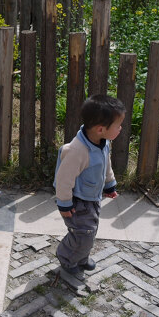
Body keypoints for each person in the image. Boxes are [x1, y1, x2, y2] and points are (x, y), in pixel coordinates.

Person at [53, 94, 125, 274]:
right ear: (101, 129)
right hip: (77, 202)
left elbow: (106, 164)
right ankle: (67, 258)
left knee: (89, 232)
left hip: (92, 198)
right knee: (82, 234)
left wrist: (109, 184)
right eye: (118, 126)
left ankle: (81, 257)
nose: (121, 129)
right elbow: (64, 180)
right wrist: (64, 204)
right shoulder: (77, 151)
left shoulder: (103, 142)